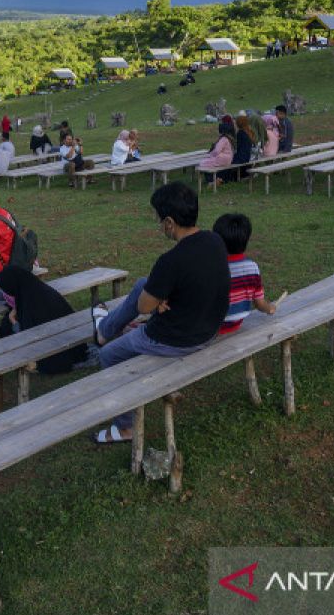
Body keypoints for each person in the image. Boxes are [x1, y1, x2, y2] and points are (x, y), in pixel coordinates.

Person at [90, 182, 231, 444]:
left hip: (176, 339)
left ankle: (125, 428)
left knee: (108, 356)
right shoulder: (214, 241)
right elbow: (198, 280)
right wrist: (163, 298)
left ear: (169, 222)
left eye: (158, 219)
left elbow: (143, 307)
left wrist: (156, 303)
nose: (158, 225)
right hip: (208, 326)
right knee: (144, 284)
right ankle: (105, 330)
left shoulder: (171, 261)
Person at [0, 265, 89, 374]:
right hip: (67, 335)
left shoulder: (32, 306)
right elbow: (6, 295)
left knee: (9, 322)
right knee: (8, 320)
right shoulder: (32, 288)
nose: (6, 293)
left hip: (63, 347)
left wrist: (14, 322)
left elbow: (28, 340)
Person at [212, 213, 277, 334]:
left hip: (213, 326)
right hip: (236, 323)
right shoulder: (252, 267)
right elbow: (259, 304)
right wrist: (270, 308)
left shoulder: (212, 266)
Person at [199, 121, 237, 186]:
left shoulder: (223, 139)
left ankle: (212, 181)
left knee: (202, 163)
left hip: (222, 159)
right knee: (208, 163)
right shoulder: (229, 138)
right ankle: (219, 178)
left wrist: (211, 155)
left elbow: (217, 151)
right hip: (228, 159)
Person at [229, 114, 254, 179]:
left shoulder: (240, 133)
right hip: (247, 157)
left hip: (241, 157)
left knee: (227, 161)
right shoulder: (248, 132)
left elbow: (237, 147)